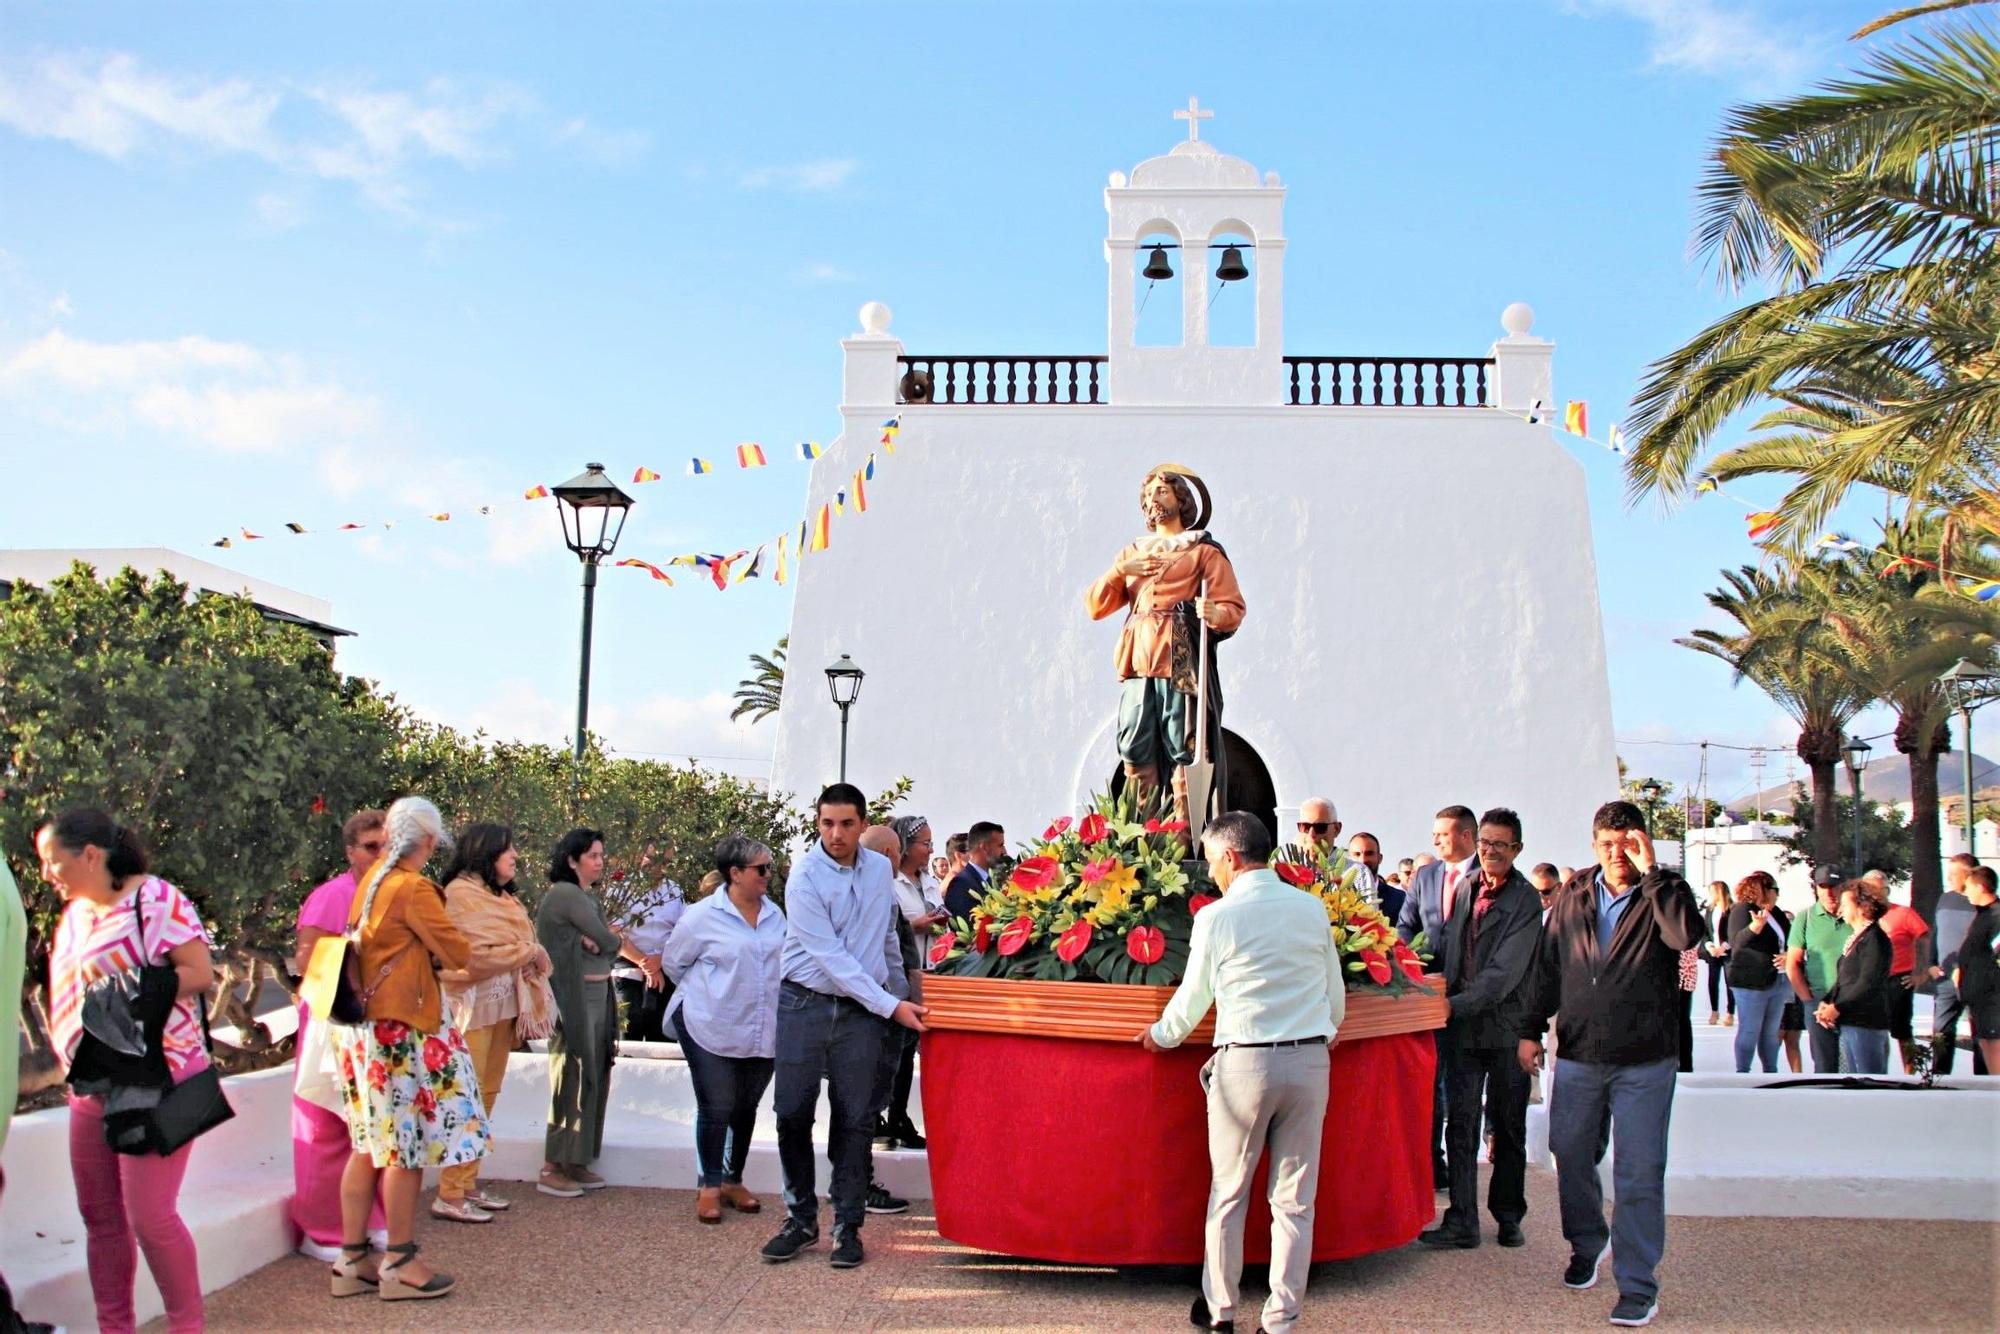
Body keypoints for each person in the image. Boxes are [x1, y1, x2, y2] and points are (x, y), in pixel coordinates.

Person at [1139, 812, 1342, 1334]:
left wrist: (1160, 1035)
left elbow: (1193, 997)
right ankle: (1281, 1319)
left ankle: (1220, 1310)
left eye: (1212, 863)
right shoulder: (1311, 909)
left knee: (1229, 1194)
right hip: (1308, 1059)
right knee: (1295, 1200)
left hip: (1245, 1062)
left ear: (1230, 857)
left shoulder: (1218, 916)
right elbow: (1333, 996)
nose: (1213, 875)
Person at [1519, 800, 1706, 1329]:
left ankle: (1638, 1284)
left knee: (1639, 1171)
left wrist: (1655, 876)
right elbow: (1546, 967)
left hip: (1645, 1058)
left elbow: (1686, 938)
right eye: (1607, 844)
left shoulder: (1665, 891)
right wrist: (1529, 1029)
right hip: (1578, 1052)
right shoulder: (1574, 894)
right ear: (1594, 844)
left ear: (1643, 843)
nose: (1616, 854)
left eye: (1627, 844)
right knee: (1570, 1152)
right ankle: (1588, 1242)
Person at [39, 810, 214, 1333]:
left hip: (159, 1077)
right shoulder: (74, 914)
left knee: (150, 1219)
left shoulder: (157, 900)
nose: (48, 873)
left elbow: (199, 972)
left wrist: (126, 999)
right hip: (91, 1084)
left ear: (90, 854)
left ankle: (188, 1326)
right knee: (101, 1218)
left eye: (54, 862)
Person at [328, 796, 490, 1302]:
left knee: (367, 1146)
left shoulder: (370, 884)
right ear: (428, 840)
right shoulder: (414, 888)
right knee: (406, 1147)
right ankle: (399, 1262)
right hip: (402, 1030)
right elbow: (456, 951)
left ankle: (353, 1259)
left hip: (367, 1032)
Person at [760, 784, 926, 1270]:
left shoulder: (880, 870)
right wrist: (890, 1005)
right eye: (827, 823)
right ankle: (800, 1219)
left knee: (856, 1119)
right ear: (818, 823)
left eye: (846, 824)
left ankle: (847, 1226)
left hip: (863, 1013)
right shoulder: (804, 876)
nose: (836, 834)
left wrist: (903, 995)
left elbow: (883, 941)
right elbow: (830, 957)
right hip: (804, 1003)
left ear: (862, 824)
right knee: (791, 1112)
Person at [1086, 463, 1247, 826]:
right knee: (1133, 739)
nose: (1152, 500)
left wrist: (1213, 612)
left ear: (1181, 498)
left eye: (1161, 491)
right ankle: (1144, 829)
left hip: (1179, 653)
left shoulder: (1203, 551)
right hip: (1137, 657)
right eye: (1147, 495)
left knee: (1184, 740)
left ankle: (1181, 831)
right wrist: (1121, 571)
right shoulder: (1132, 553)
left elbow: (1232, 607)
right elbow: (1095, 606)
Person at [1420, 808, 1539, 1251]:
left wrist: (1448, 1006)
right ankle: (1463, 1220)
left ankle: (1508, 1216)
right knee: (1461, 1125)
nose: (1490, 852)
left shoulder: (1525, 901)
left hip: (1506, 1029)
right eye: (1485, 843)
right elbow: (1450, 949)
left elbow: (1503, 974)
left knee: (1508, 1128)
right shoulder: (1468, 886)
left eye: (1500, 845)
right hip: (1463, 1030)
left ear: (1517, 850)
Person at [433, 822, 554, 1223]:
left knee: (487, 1096)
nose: (515, 856)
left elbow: (513, 948)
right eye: (508, 850)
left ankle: (467, 1183)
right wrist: (525, 951)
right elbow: (469, 958)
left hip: (503, 1008)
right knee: (467, 1098)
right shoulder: (460, 895)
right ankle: (449, 1193)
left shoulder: (499, 897)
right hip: (471, 1010)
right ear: (487, 853)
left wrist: (523, 951)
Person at [662, 835, 786, 1225]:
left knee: (746, 1106)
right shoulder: (701, 917)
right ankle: (709, 1186)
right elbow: (673, 963)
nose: (769, 875)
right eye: (761, 869)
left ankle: (734, 1180)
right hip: (709, 1023)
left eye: (770, 867)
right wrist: (715, 992)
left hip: (760, 1026)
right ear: (735, 873)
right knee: (716, 1105)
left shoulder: (774, 915)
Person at [290, 809, 388, 1260]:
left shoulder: (393, 893)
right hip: (334, 1022)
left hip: (377, 1026)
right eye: (371, 846)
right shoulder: (332, 896)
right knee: (325, 1129)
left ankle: (370, 1221)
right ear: (350, 851)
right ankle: (321, 1229)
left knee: (371, 1130)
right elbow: (308, 962)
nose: (381, 853)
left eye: (388, 845)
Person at [535, 827, 624, 1197]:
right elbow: (609, 941)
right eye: (592, 856)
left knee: (593, 1073)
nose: (600, 862)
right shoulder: (566, 894)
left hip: (597, 993)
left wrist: (600, 939)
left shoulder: (587, 898)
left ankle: (577, 1159)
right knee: (571, 1073)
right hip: (576, 997)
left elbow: (604, 944)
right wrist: (601, 938)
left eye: (601, 855)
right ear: (572, 860)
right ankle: (554, 1164)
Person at [1398, 805, 1478, 1191]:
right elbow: (1406, 925)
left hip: (1471, 1000)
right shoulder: (1425, 876)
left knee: (1461, 1094)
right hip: (1427, 997)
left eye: (1442, 834)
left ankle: (1463, 1177)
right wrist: (1411, 968)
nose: (1434, 841)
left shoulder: (1487, 877)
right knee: (1428, 1088)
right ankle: (1432, 1166)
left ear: (1465, 836)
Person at [881, 815, 946, 1150]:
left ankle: (899, 1115)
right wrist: (915, 924)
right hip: (897, 977)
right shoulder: (891, 882)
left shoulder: (929, 881)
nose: (929, 850)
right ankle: (883, 1117)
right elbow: (888, 925)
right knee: (892, 1050)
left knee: (908, 1053)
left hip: (927, 973)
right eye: (925, 844)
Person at [1817, 881, 1894, 1075]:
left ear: (1862, 908)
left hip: (1865, 1022)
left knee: (1868, 1081)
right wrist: (1827, 1001)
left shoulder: (1875, 939)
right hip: (1850, 1021)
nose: (1841, 908)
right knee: (1851, 1079)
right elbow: (1845, 979)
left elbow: (1869, 982)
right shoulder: (1857, 937)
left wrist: (1838, 1007)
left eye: (1846, 903)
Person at [1784, 866, 1853, 1074]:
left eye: (1834, 886)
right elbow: (1792, 963)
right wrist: (1808, 1000)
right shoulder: (1805, 918)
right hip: (1819, 1002)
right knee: (1825, 1064)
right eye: (1824, 887)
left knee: (1855, 1065)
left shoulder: (1856, 916)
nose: (1830, 892)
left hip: (1853, 1002)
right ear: (1816, 888)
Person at [1927, 854, 1986, 1075]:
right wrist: (1931, 963)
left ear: (1969, 874)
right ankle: (1938, 1078)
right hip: (1945, 980)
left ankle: (1983, 1082)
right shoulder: (1945, 899)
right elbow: (1936, 933)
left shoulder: (1982, 902)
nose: (1949, 877)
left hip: (1975, 980)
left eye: (1954, 873)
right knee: (1941, 1032)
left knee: (1980, 1033)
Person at [1724, 873, 1788, 1073]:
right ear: (1763, 890)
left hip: (1777, 978)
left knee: (1770, 1033)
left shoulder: (1776, 913)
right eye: (1774, 889)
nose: (1777, 894)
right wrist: (1754, 928)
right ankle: (1742, 1071)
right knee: (1750, 1030)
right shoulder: (1742, 910)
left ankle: (1771, 1071)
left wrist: (1788, 955)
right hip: (1750, 981)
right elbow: (1736, 942)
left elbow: (1789, 939)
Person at [611, 871, 684, 1043]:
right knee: (626, 1037)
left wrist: (659, 960)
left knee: (662, 1039)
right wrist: (645, 963)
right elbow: (613, 931)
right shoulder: (620, 887)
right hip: (628, 968)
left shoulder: (674, 889)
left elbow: (682, 931)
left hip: (664, 967)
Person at [1873, 879, 1930, 1074]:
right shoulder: (1864, 915)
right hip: (1872, 981)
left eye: (1878, 889)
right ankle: (1879, 1073)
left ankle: (1911, 1074)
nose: (1875, 894)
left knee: (1902, 1030)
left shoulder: (1904, 913)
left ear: (1887, 890)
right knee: (1876, 1030)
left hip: (1899, 978)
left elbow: (1924, 938)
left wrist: (1921, 972)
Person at [1949, 865, 2000, 1072]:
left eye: (1969, 887)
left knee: (1995, 1041)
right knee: (1984, 1041)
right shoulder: (1982, 914)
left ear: (1980, 887)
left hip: (1992, 994)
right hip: (1976, 993)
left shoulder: (1997, 915)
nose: (1966, 892)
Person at [943, 821, 1004, 922]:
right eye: (1000, 845)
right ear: (985, 847)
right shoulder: (960, 885)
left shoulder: (992, 879)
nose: (1004, 852)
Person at [1700, 880, 1735, 1028]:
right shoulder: (1710, 910)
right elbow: (1706, 931)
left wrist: (1724, 947)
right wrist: (1710, 946)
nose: (1711, 894)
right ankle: (1714, 1011)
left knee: (1729, 982)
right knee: (1712, 981)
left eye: (1713, 891)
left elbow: (1734, 931)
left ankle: (1730, 1013)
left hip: (1727, 951)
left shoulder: (1732, 909)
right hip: (1713, 951)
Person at [1348, 832, 1403, 924]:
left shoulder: (1399, 899)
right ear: (1348, 860)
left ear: (1379, 858)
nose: (1363, 860)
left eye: (1369, 854)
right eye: (1357, 854)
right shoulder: (1338, 897)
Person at [1280, 797, 1341, 864]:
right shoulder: (1285, 867)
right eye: (1305, 827)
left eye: (1320, 827)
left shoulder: (1351, 869)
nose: (1311, 834)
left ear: (1336, 829)